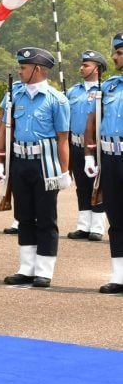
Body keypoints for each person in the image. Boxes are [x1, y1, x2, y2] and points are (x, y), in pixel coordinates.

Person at [0, 47, 70, 288]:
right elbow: (5, 130)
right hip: (20, 162)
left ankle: (44, 270)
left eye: (24, 67)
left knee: (46, 217)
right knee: (24, 216)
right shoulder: (13, 95)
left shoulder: (56, 99)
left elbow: (62, 139)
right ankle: (26, 267)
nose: (20, 71)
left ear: (37, 69)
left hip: (45, 164)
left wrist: (64, 171)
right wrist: (0, 161)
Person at [86, 33, 123, 294]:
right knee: (116, 219)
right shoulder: (108, 87)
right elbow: (93, 120)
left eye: (120, 53)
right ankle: (119, 276)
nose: (114, 57)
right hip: (110, 158)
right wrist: (90, 154)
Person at [66, 50, 108, 242]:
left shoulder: (105, 91)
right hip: (75, 144)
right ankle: (83, 225)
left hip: (96, 146)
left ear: (97, 69)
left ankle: (97, 227)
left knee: (98, 185)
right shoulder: (73, 91)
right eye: (82, 65)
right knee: (81, 185)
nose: (82, 68)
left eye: (86, 65)